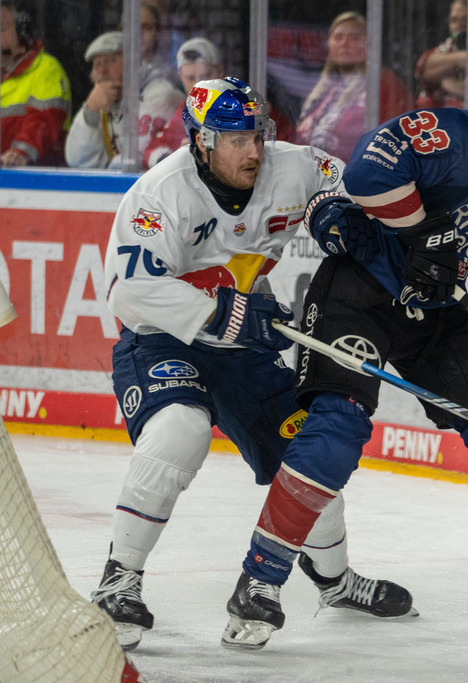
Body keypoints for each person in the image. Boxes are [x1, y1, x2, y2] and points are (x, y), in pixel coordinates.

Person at [224, 65, 468, 649]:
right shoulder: (461, 138)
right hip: (359, 293)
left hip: (437, 309)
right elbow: (368, 168)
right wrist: (423, 229)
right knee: (335, 428)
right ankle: (260, 580)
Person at [95, 76, 415, 652]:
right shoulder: (158, 194)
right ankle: (119, 580)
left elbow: (352, 180)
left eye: (257, 135)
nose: (252, 150)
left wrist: (334, 211)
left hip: (245, 352)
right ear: (200, 141)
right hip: (163, 341)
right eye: (234, 138)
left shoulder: (294, 167)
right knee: (179, 432)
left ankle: (335, 582)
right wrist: (232, 318)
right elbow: (131, 292)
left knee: (307, 457)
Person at [142, 37, 293, 169]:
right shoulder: (187, 109)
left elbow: (288, 145)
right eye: (190, 78)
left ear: (220, 72)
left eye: (205, 76)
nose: (198, 85)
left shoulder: (247, 101)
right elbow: (152, 150)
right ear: (180, 76)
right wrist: (175, 157)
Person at [293, 11, 412, 163]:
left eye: (355, 38)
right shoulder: (323, 90)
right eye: (338, 37)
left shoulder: (383, 82)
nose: (344, 43)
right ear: (329, 45)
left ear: (369, 45)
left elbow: (398, 139)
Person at [64, 30, 183, 169]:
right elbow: (78, 162)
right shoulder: (102, 102)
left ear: (134, 63)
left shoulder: (161, 95)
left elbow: (135, 162)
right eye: (97, 64)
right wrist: (90, 112)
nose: (102, 71)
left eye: (111, 61)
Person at [0, 3, 72, 166]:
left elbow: (43, 120)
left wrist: (21, 152)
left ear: (22, 32)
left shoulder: (45, 68)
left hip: (36, 182)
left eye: (1, 28)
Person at [414, 0, 468, 110]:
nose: (459, 26)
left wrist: (448, 83)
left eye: (465, 20)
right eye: (454, 20)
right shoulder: (445, 49)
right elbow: (422, 70)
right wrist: (463, 58)